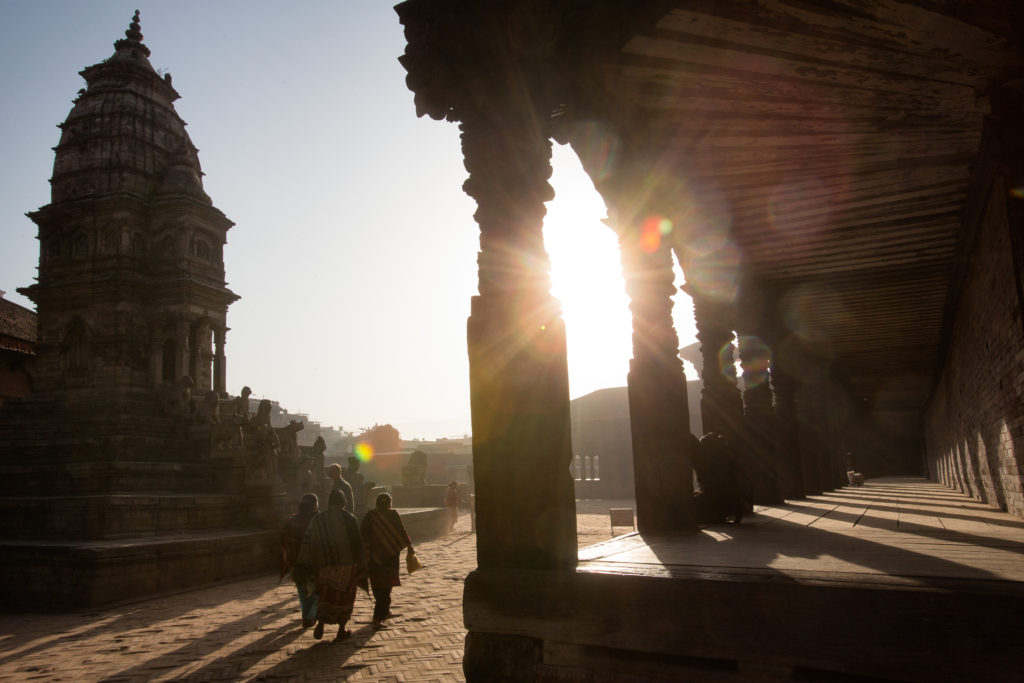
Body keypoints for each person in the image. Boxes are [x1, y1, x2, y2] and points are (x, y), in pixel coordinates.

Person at [296, 488, 364, 641]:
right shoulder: (349, 518)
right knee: (345, 598)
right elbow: (357, 544)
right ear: (343, 502)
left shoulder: (318, 519)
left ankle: (321, 624)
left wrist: (307, 564)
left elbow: (309, 541)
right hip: (345, 567)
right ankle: (341, 629)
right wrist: (361, 566)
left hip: (324, 567)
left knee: (325, 597)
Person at [361, 492, 414, 630]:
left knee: (377, 586)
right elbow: (401, 531)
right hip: (391, 556)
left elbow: (363, 535)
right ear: (390, 503)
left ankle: (384, 610)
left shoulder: (370, 516)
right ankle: (377, 618)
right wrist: (409, 546)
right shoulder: (393, 514)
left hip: (373, 558)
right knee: (386, 587)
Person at [280, 493, 319, 628]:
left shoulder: (292, 521)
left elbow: (284, 541)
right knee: (316, 590)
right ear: (315, 505)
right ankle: (310, 616)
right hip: (315, 562)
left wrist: (290, 560)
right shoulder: (318, 520)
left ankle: (306, 616)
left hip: (297, 562)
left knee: (302, 591)